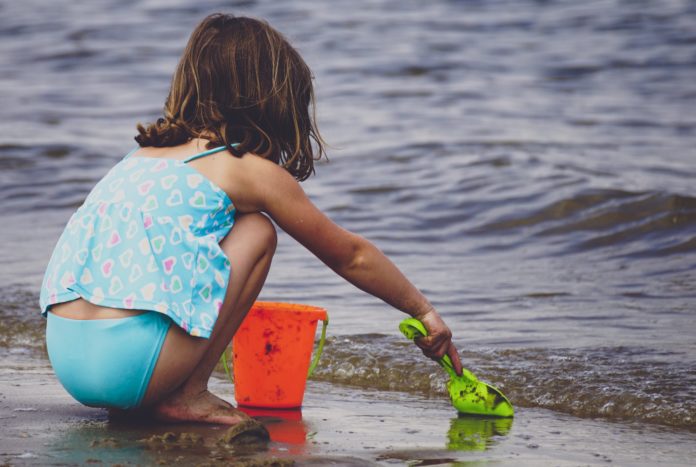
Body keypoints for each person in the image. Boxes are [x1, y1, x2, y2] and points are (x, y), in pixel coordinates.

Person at [39, 13, 463, 425]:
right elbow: (350, 256)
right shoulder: (245, 169)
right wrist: (423, 310)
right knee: (258, 230)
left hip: (67, 357)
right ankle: (187, 394)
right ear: (269, 100)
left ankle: (148, 392)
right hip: (129, 366)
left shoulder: (136, 159)